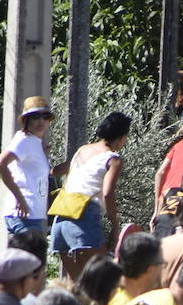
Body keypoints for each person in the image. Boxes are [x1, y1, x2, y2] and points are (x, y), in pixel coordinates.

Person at [51, 111, 131, 280]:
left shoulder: (83, 150)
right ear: (122, 137)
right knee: (102, 279)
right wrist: (115, 226)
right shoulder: (113, 159)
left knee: (78, 284)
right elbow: (108, 193)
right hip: (84, 216)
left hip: (60, 217)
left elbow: (57, 170)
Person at [0, 95, 66, 237]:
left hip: (32, 215)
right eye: (35, 116)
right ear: (26, 120)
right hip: (25, 215)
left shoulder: (35, 142)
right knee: (30, 258)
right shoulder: (24, 140)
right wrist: (20, 198)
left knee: (27, 259)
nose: (41, 120)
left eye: (45, 116)